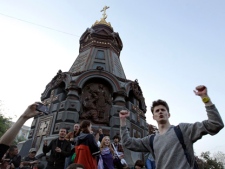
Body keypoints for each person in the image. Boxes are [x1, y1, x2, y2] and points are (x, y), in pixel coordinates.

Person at [120, 85, 224, 169]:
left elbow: (215, 124)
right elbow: (127, 142)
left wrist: (205, 98)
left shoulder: (183, 130)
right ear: (153, 117)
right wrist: (123, 121)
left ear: (168, 114)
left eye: (163, 110)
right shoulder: (151, 140)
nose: (160, 111)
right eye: (157, 110)